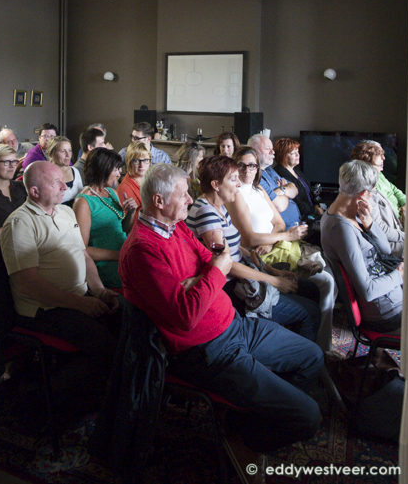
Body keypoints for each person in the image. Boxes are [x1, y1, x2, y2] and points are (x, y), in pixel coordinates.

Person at [119, 163, 323, 452]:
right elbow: (186, 314)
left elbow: (218, 257)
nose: (190, 200)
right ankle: (246, 439)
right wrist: (214, 273)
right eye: (183, 195)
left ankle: (248, 420)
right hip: (208, 352)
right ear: (159, 202)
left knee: (312, 356)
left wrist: (200, 279)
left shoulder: (175, 228)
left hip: (235, 325)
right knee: (309, 416)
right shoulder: (142, 249)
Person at [0, 161, 123, 396]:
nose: (64, 187)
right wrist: (82, 303)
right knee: (105, 345)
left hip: (77, 297)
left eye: (63, 181)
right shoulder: (20, 223)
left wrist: (99, 291)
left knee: (128, 321)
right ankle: (45, 400)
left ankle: (107, 396)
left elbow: (83, 254)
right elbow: (27, 283)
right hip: (43, 309)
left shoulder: (65, 211)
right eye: (56, 183)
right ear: (34, 191)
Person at [186, 155, 321, 343]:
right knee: (310, 311)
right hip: (232, 288)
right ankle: (303, 359)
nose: (238, 185)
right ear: (216, 185)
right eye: (233, 179)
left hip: (245, 274)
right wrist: (273, 280)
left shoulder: (218, 207)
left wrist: (271, 270)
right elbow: (226, 264)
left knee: (311, 290)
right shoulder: (205, 212)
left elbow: (235, 249)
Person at [228, 146, 335, 351]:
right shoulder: (235, 194)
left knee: (325, 278)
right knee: (324, 282)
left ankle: (316, 345)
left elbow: (279, 222)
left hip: (273, 247)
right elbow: (249, 238)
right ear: (235, 166)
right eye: (242, 165)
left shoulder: (258, 190)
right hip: (259, 257)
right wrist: (286, 236)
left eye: (252, 165)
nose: (247, 170)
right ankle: (318, 348)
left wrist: (271, 240)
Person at [321, 160, 403, 334]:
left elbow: (385, 250)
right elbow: (368, 291)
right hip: (387, 312)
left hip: (391, 297)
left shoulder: (353, 213)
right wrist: (400, 275)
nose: (373, 195)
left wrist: (369, 223)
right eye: (373, 192)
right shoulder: (341, 228)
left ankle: (379, 355)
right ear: (364, 194)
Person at [0, 144, 28, 387]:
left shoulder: (20, 188)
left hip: (26, 254)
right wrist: (12, 227)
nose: (13, 166)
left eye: (15, 161)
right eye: (6, 162)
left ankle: (20, 368)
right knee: (1, 317)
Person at [74, 148, 136, 288]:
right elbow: (81, 250)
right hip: (106, 264)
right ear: (103, 169)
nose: (119, 174)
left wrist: (131, 213)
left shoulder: (112, 192)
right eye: (116, 170)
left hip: (124, 255)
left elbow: (124, 229)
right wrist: (118, 255)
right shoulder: (83, 202)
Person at [349, 141, 405, 257]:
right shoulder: (366, 190)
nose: (384, 158)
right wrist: (407, 236)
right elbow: (380, 230)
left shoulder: (378, 176)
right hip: (388, 243)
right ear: (368, 161)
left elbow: (395, 190)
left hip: (398, 230)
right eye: (380, 155)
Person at [248, 134, 303, 227]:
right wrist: (286, 191)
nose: (272, 152)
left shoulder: (269, 169)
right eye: (267, 149)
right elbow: (279, 206)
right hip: (283, 231)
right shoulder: (254, 176)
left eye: (272, 148)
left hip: (296, 224)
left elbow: (294, 189)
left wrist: (281, 190)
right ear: (254, 152)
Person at [273, 138, 324, 218]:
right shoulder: (280, 173)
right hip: (302, 216)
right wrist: (315, 210)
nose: (298, 155)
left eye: (297, 152)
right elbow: (296, 201)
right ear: (283, 156)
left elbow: (310, 193)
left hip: (312, 211)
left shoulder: (296, 170)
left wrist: (316, 206)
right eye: (293, 153)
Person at [117, 141, 152, 226]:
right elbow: (123, 227)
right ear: (129, 162)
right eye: (136, 161)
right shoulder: (124, 189)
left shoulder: (149, 181)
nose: (141, 165)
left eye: (145, 160)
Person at [47, 135, 83, 208]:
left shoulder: (75, 171)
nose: (68, 155)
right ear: (52, 154)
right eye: (62, 151)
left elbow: (81, 196)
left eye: (69, 150)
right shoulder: (47, 174)